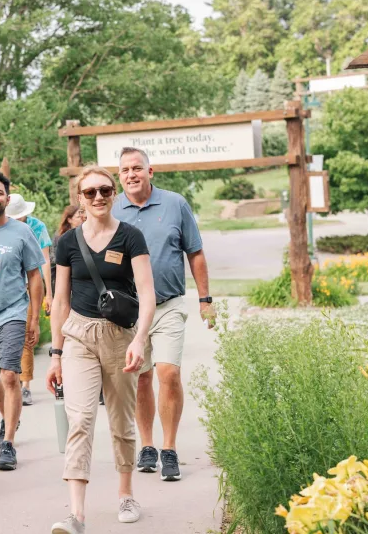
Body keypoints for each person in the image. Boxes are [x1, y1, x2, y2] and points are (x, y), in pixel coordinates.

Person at [46, 166, 156, 534]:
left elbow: (147, 292)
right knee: (80, 420)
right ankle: (75, 515)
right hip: (78, 334)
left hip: (119, 337)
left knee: (121, 421)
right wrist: (56, 354)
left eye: (105, 191)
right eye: (90, 192)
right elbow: (60, 301)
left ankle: (126, 494)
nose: (98, 198)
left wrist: (139, 340)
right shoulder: (67, 243)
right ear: (80, 197)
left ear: (114, 194)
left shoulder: (131, 237)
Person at [111, 147, 214, 483]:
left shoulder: (175, 204)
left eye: (137, 168)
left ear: (150, 171)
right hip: (131, 310)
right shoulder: (112, 209)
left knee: (168, 374)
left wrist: (205, 298)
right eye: (125, 170)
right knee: (141, 377)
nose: (131, 175)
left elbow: (195, 252)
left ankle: (169, 449)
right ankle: (148, 446)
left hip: (167, 304)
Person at [0, 171, 45, 471]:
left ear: (7, 198)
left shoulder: (22, 232)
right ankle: (9, 417)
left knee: (8, 375)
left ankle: (8, 443)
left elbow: (35, 276)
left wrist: (34, 318)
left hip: (13, 313)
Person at [5, 194, 53, 406]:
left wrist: (48, 293)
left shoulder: (37, 227)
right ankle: (9, 381)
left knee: (26, 336)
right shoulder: (0, 226)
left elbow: (44, 263)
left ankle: (25, 385)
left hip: (29, 286)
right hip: (6, 287)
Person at [51, 205, 86, 297]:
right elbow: (53, 257)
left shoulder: (86, 233)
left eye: (82, 216)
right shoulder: (60, 236)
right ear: (69, 219)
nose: (82, 219)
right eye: (78, 217)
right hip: (62, 275)